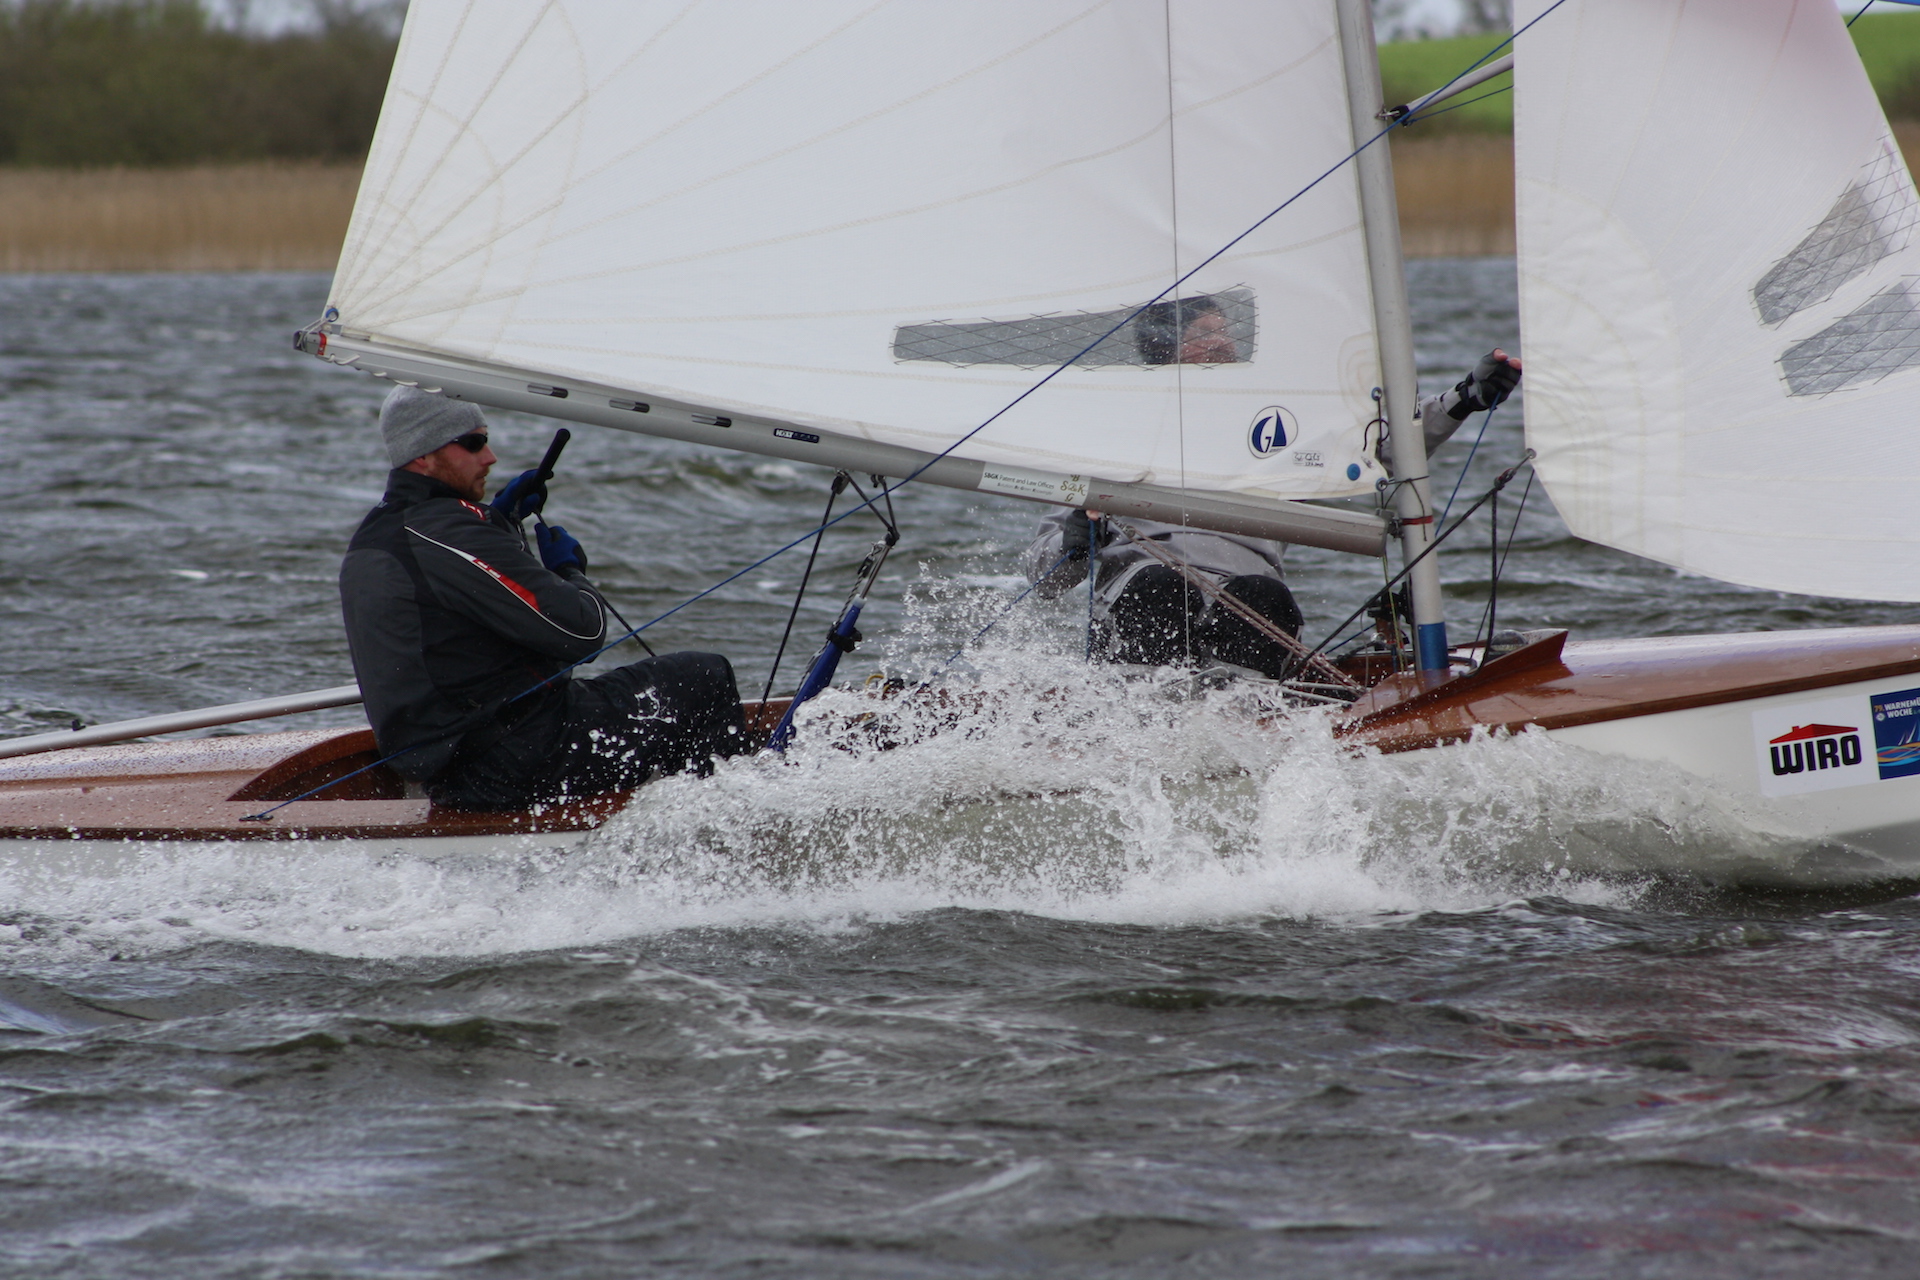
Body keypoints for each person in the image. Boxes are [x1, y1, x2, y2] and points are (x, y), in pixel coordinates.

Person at [339, 386, 747, 809]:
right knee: (705, 678)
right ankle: (722, 828)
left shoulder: (379, 534)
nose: (490, 457)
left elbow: (468, 608)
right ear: (423, 454)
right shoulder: (448, 532)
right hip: (516, 763)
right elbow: (582, 633)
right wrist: (570, 571)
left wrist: (502, 521)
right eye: (473, 444)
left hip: (459, 764)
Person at [1025, 350, 1523, 678]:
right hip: (1143, 591)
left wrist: (1462, 401)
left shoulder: (1272, 434)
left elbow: (1381, 449)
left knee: (1264, 596)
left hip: (1244, 594)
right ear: (1166, 356)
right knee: (1163, 587)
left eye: (1224, 335)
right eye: (1203, 336)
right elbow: (1040, 576)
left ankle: (1246, 723)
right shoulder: (1109, 446)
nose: (1220, 345)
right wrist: (1074, 543)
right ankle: (1142, 722)